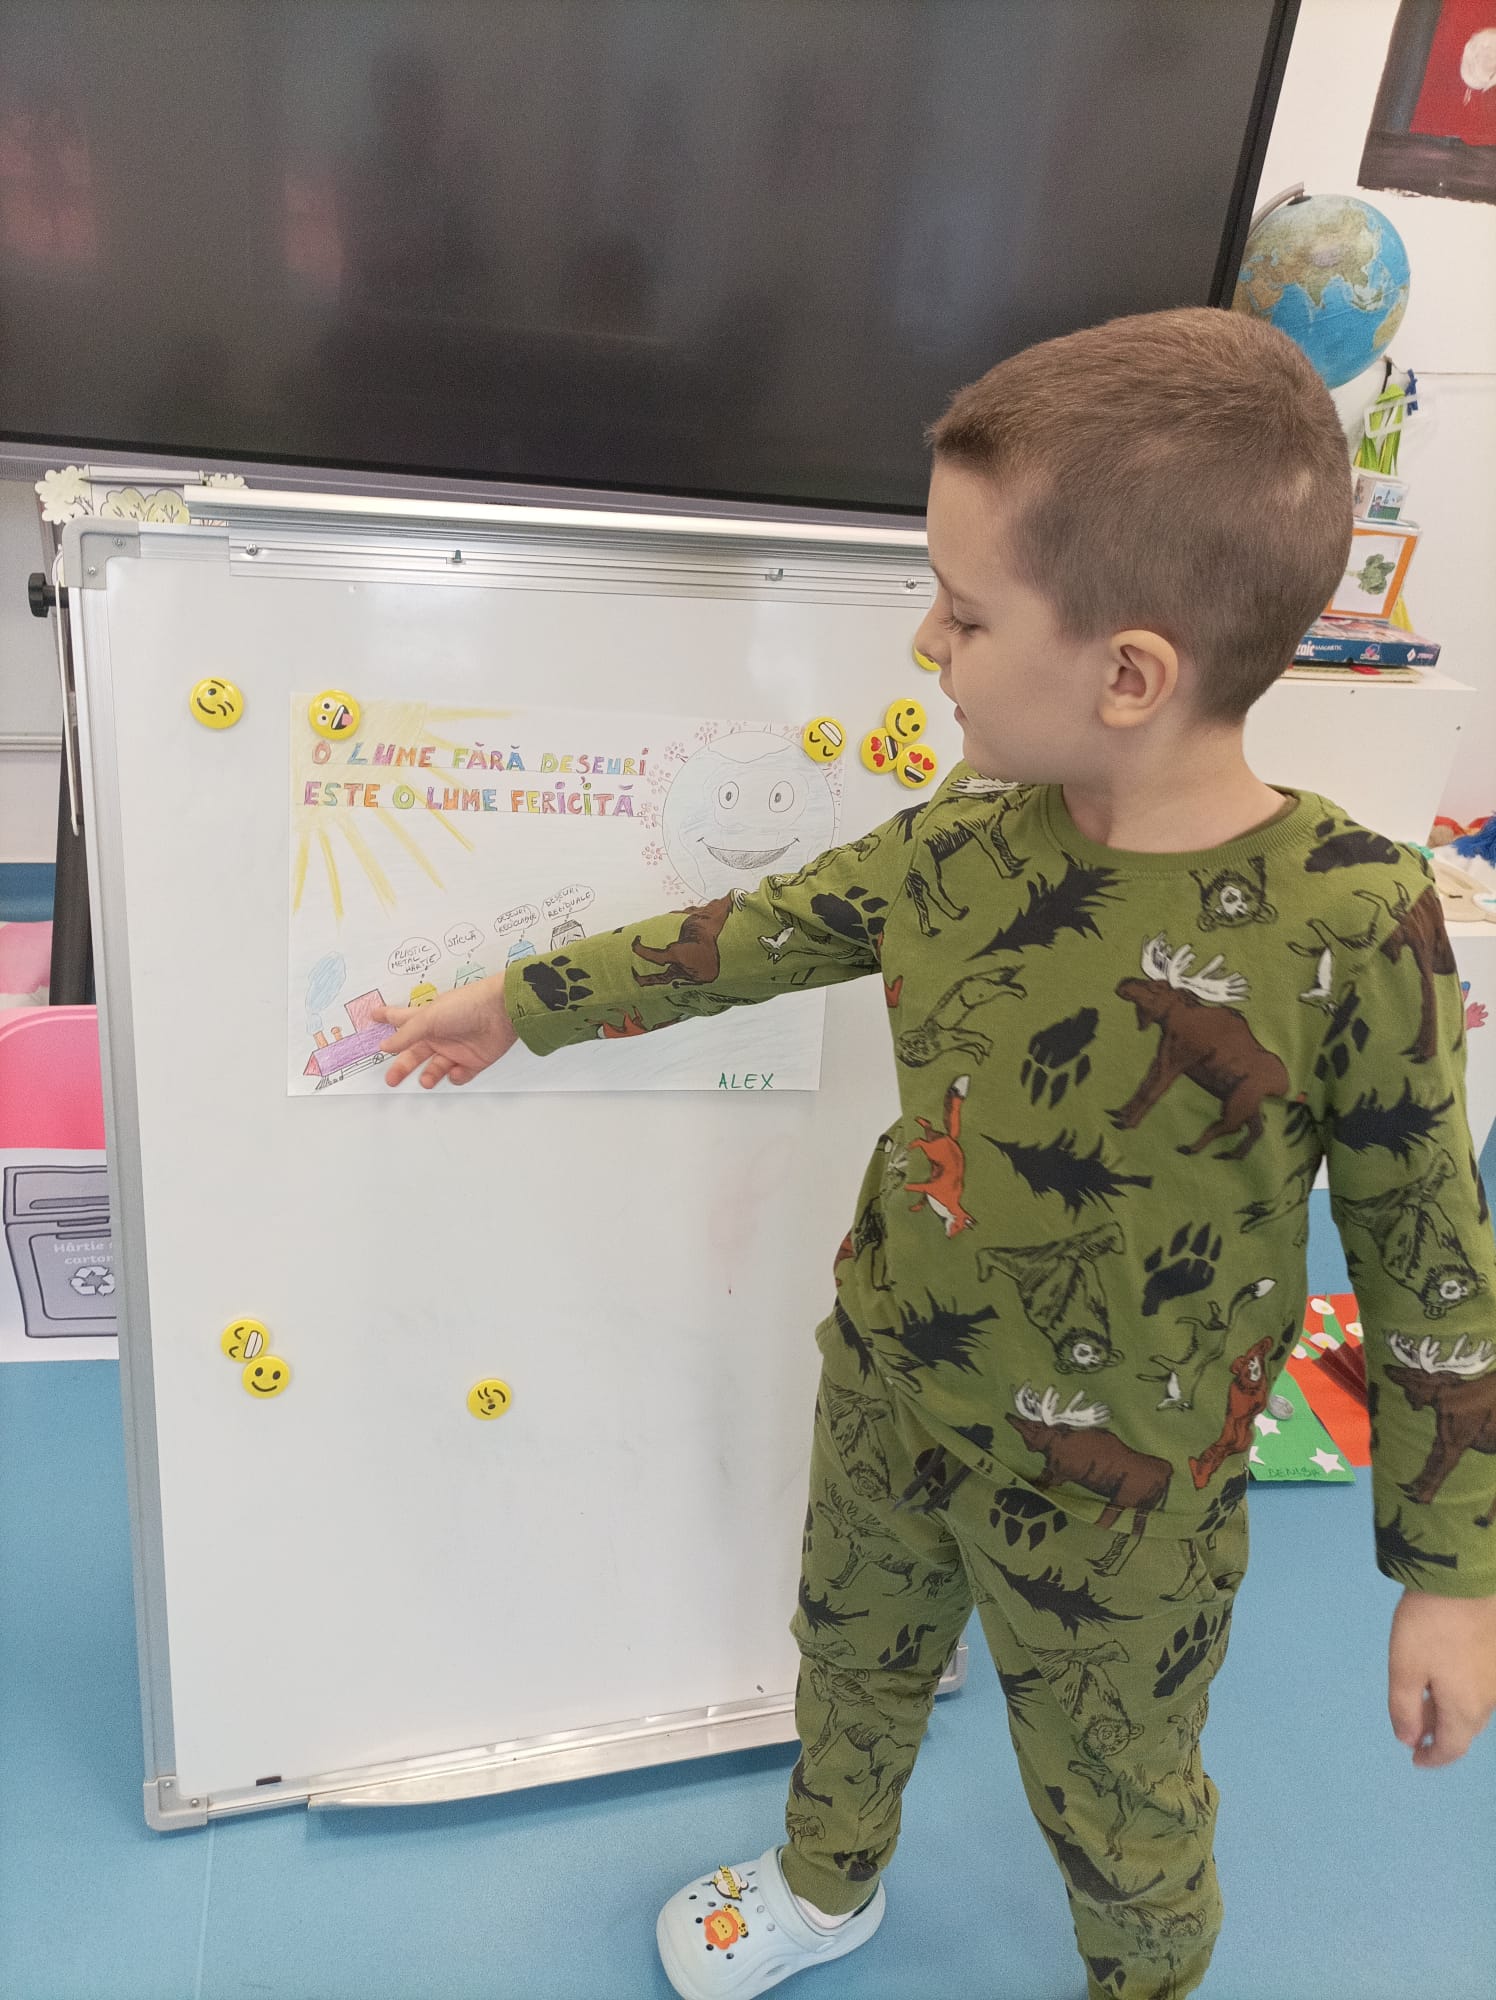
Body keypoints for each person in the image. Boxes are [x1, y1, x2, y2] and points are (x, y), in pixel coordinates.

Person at [371, 308, 1496, 2000]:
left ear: (1129, 673)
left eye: (964, 616)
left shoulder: (1356, 916)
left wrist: (1453, 1574)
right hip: (896, 1389)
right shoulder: (961, 844)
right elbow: (754, 932)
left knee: (1120, 1793)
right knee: (851, 1658)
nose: (925, 643)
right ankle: (827, 1881)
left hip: (1130, 1503)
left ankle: (1145, 1978)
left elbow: (1429, 1263)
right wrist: (520, 1003)